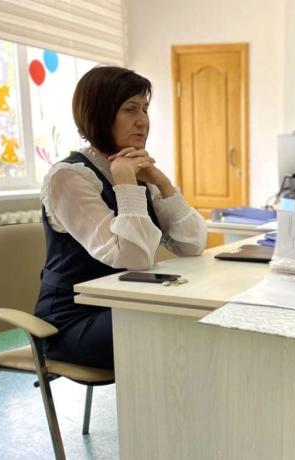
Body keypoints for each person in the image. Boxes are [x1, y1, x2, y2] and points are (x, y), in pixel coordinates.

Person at [34, 66, 207, 369]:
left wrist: (162, 182)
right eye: (130, 109)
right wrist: (126, 183)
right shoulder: (69, 177)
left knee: (199, 320)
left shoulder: (136, 169)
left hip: (125, 302)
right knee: (181, 332)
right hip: (75, 318)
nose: (143, 121)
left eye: (145, 109)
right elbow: (134, 258)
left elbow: (192, 245)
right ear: (99, 113)